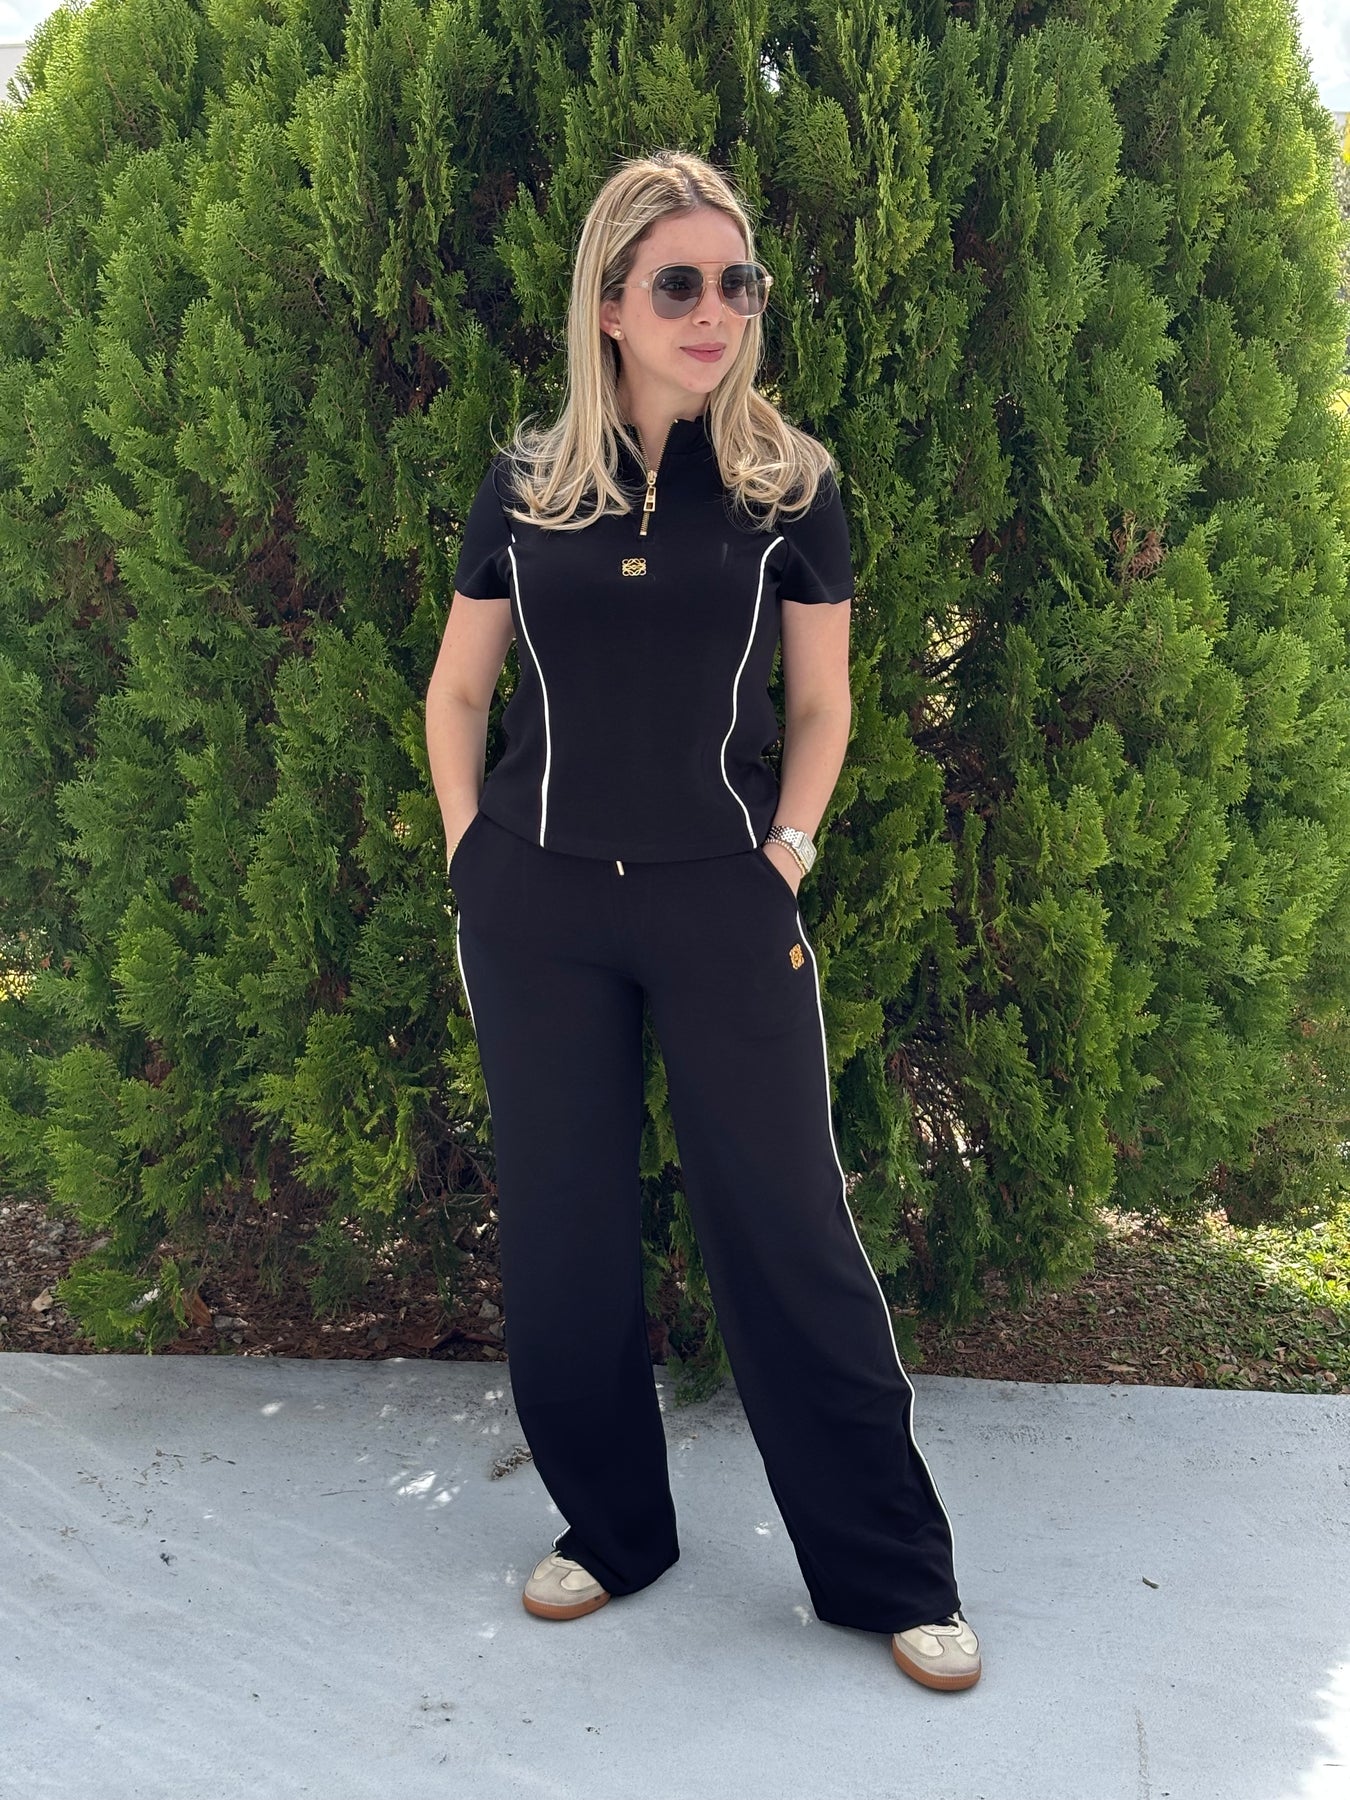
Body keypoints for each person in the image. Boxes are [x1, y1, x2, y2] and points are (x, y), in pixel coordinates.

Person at [423, 148, 981, 1693]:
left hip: (723, 904)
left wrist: (784, 850)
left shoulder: (789, 487)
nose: (714, 309)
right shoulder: (528, 484)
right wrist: (472, 854)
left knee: (790, 1232)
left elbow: (823, 703)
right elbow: (459, 690)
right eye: (678, 283)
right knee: (564, 1236)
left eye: (738, 282)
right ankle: (611, 1532)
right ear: (609, 304)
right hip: (536, 907)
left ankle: (890, 1572)